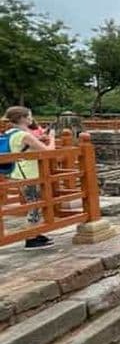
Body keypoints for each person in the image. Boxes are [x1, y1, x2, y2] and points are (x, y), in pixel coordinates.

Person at [2, 106, 56, 249]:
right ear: (22, 118)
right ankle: (31, 238)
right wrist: (52, 139)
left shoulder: (10, 132)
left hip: (17, 172)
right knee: (35, 205)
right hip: (28, 174)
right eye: (29, 116)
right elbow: (48, 152)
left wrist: (40, 138)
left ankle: (35, 233)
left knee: (33, 203)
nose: (31, 119)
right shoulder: (24, 135)